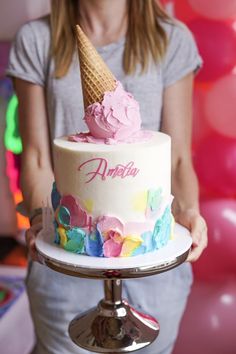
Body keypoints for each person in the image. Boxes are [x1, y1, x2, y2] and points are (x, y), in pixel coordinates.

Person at [7, 1, 208, 353]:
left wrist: (189, 212)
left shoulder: (172, 39)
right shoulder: (36, 39)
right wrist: (43, 221)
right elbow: (37, 159)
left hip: (154, 268)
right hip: (65, 265)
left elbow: (177, 160)